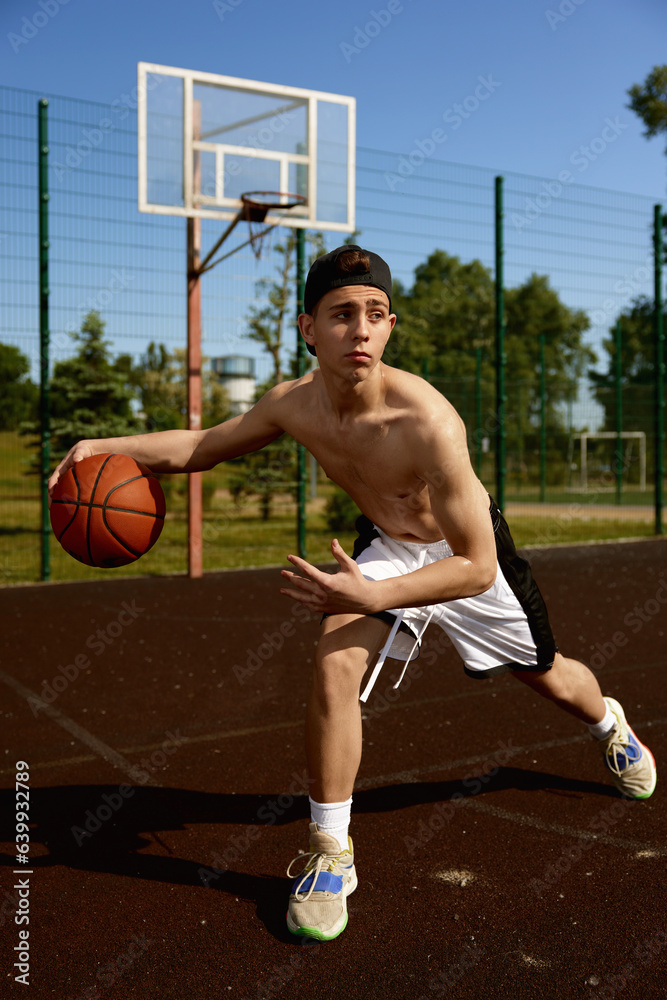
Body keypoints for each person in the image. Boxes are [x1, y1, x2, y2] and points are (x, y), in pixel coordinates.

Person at [49, 245, 657, 944]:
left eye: (373, 315)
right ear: (308, 328)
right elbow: (201, 446)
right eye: (341, 316)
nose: (359, 330)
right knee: (334, 664)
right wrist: (102, 446)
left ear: (390, 325)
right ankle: (331, 851)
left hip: (462, 553)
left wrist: (378, 595)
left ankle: (609, 724)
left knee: (549, 678)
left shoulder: (427, 420)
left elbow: (477, 567)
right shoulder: (293, 405)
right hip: (388, 545)